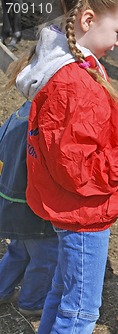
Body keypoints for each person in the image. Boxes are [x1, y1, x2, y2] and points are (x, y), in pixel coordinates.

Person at [5, 0, 118, 331]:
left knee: (63, 293)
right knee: (81, 312)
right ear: (88, 20)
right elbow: (77, 169)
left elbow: (83, 133)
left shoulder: (77, 65)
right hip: (83, 213)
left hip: (73, 209)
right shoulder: (74, 84)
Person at [0, 101, 58, 317]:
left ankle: (2, 289)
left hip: (10, 196)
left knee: (20, 248)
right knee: (46, 255)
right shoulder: (44, 124)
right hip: (31, 205)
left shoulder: (21, 113)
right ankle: (32, 302)